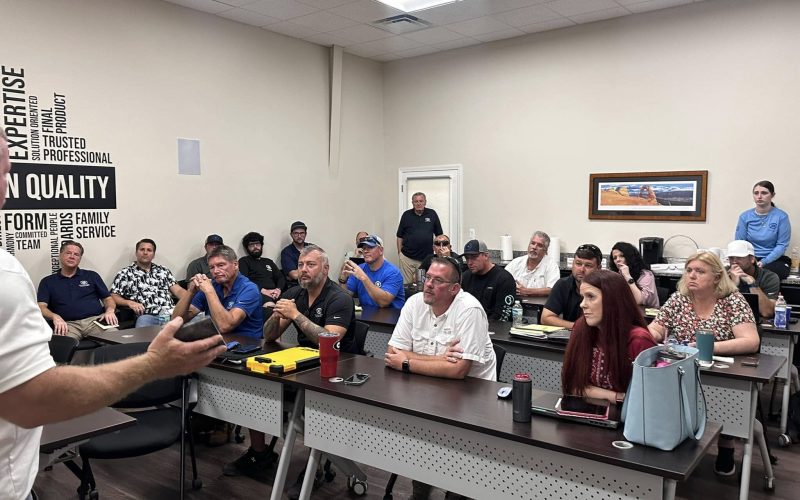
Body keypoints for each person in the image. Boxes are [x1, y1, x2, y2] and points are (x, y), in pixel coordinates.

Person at [0, 126, 226, 500]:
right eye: (6, 172)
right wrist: (153, 364)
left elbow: (144, 298)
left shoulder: (146, 275)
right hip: (80, 327)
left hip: (125, 319)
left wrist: (192, 297)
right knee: (138, 327)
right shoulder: (11, 275)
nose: (8, 185)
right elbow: (35, 398)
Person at [387, 256, 496, 500]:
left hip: (474, 399)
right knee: (420, 434)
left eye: (437, 281)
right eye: (427, 277)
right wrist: (439, 361)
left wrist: (407, 361)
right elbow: (392, 353)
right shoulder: (415, 303)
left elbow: (458, 371)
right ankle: (421, 489)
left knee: (455, 456)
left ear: (454, 289)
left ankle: (458, 491)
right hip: (430, 388)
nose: (428, 284)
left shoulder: (469, 310)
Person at [648, 250, 759, 476]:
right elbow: (657, 328)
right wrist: (649, 334)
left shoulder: (732, 301)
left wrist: (704, 347)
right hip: (681, 367)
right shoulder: (679, 298)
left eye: (700, 271)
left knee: (724, 404)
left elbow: (751, 341)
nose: (692, 276)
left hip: (721, 370)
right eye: (689, 271)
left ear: (717, 277)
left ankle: (726, 443)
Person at [561, 270, 656, 405]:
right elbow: (573, 386)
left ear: (612, 300)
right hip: (590, 411)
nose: (582, 304)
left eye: (591, 297)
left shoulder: (639, 340)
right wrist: (618, 397)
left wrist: (601, 394)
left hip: (630, 419)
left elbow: (650, 396)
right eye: (582, 297)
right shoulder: (581, 327)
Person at [173, 245, 263, 338]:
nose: (215, 271)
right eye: (211, 267)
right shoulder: (213, 285)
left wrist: (210, 292)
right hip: (217, 342)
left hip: (247, 346)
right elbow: (176, 321)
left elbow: (225, 326)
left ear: (235, 265)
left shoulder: (249, 289)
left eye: (221, 265)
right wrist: (190, 292)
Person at [37, 240, 119, 340]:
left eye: (76, 254)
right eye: (68, 253)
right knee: (59, 348)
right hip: (67, 324)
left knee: (118, 341)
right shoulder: (47, 281)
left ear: (79, 259)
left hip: (95, 321)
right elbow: (41, 307)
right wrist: (55, 317)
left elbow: (108, 299)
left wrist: (110, 310)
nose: (72, 256)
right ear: (60, 255)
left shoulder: (91, 276)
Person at [110, 239, 187, 327]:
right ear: (136, 252)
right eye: (142, 249)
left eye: (149, 250)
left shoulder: (163, 270)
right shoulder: (125, 273)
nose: (145, 253)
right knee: (142, 326)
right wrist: (129, 303)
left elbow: (178, 291)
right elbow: (114, 295)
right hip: (148, 316)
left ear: (153, 254)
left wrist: (192, 301)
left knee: (200, 320)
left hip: (171, 313)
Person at [735, 180, 792, 279]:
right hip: (750, 258)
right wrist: (750, 260)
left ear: (772, 195)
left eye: (764, 193)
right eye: (756, 193)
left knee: (769, 274)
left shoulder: (781, 217)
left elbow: (782, 245)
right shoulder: (745, 217)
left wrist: (764, 261)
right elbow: (740, 243)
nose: (759, 196)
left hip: (774, 260)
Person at [541, 244, 602, 329]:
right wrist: (578, 328)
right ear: (572, 264)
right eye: (578, 263)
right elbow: (546, 318)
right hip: (571, 335)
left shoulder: (605, 287)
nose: (582, 269)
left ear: (598, 268)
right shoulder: (563, 284)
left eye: (588, 265)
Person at [340, 235, 405, 309]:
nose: (365, 251)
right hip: (365, 316)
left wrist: (363, 278)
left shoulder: (393, 272)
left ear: (381, 250)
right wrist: (343, 280)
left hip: (389, 317)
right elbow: (346, 297)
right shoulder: (360, 268)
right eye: (364, 248)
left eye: (370, 247)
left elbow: (383, 302)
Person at [460, 240, 516, 321]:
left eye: (473, 257)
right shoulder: (466, 277)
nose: (469, 262)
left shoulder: (504, 279)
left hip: (495, 328)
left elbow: (502, 316)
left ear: (486, 256)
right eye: (467, 258)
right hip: (469, 325)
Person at [396, 192, 443, 284]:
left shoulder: (432, 214)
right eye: (416, 201)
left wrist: (438, 252)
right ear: (412, 203)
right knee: (406, 285)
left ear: (425, 202)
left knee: (423, 285)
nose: (419, 203)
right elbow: (399, 236)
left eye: (421, 201)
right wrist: (400, 253)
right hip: (407, 258)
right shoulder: (406, 215)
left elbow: (439, 235)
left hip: (425, 259)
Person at [726, 240, 780, 318]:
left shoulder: (769, 277)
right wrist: (733, 285)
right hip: (729, 320)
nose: (734, 262)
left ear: (752, 259)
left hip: (757, 322)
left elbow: (767, 312)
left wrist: (752, 284)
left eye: (739, 258)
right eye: (731, 258)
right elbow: (719, 310)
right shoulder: (723, 274)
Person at [504, 231, 560, 297]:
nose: (534, 247)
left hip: (540, 305)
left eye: (539, 245)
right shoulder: (516, 262)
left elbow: (553, 289)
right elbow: (502, 280)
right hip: (516, 303)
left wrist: (527, 291)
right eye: (532, 243)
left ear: (545, 250)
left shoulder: (551, 265)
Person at [238, 231, 285, 308]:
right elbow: (244, 280)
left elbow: (280, 277)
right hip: (257, 293)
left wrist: (278, 289)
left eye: (257, 244)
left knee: (293, 302)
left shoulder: (268, 261)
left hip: (275, 293)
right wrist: (263, 290)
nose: (255, 247)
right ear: (247, 248)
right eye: (251, 245)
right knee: (271, 307)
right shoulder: (244, 261)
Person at [608, 241, 659, 308]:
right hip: (627, 310)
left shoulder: (646, 275)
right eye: (615, 258)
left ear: (630, 257)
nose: (618, 260)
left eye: (622, 256)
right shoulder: (616, 274)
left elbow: (639, 301)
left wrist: (627, 276)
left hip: (646, 313)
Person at [280, 221, 310, 287]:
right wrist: (313, 267)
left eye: (302, 233)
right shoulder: (286, 252)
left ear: (305, 234)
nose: (299, 236)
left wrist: (300, 271)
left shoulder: (312, 248)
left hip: (315, 282)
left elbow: (322, 267)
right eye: (296, 233)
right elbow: (295, 275)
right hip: (299, 286)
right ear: (291, 235)